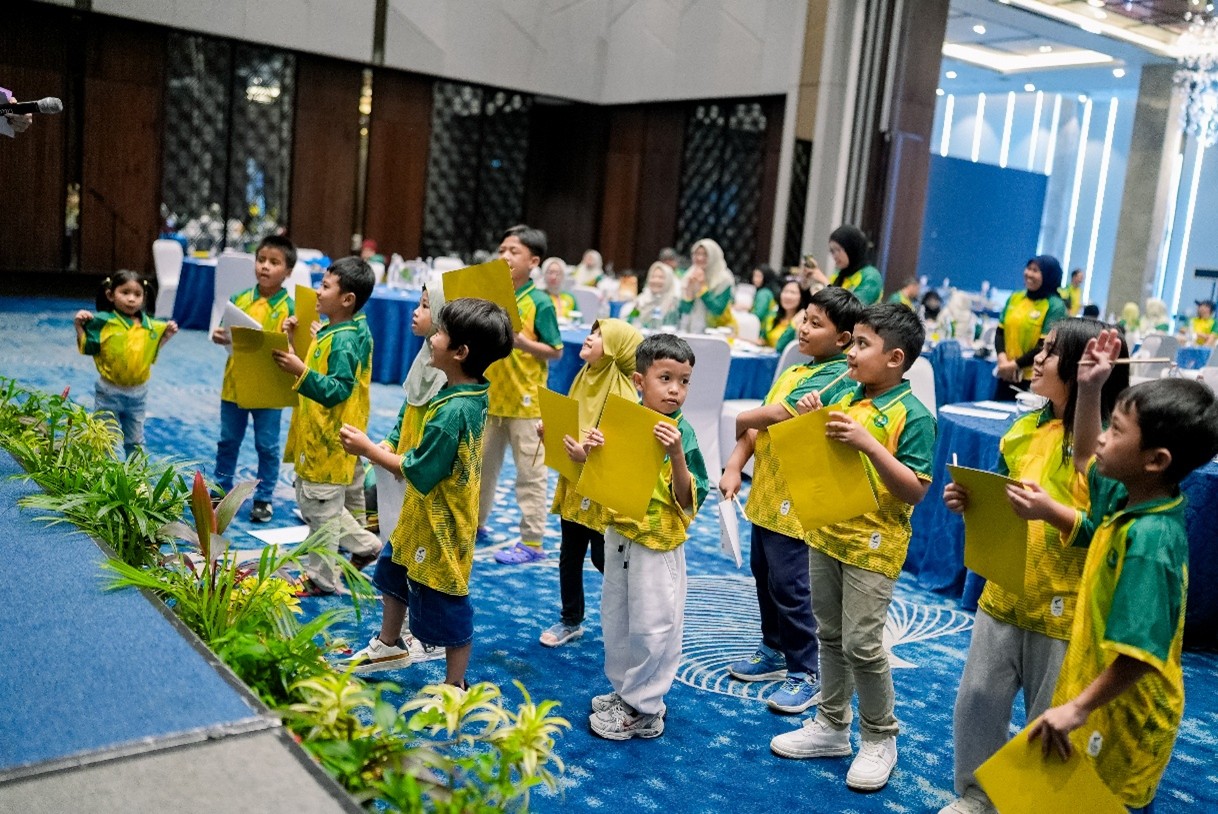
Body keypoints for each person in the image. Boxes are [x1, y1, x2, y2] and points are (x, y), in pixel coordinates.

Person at [937, 318, 1128, 814]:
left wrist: (1049, 511)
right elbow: (1002, 493)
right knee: (977, 699)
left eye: (1050, 351)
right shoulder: (1023, 427)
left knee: (1049, 717)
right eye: (1040, 348)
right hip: (1005, 587)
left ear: (1083, 368)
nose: (1037, 358)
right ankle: (977, 794)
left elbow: (1106, 526)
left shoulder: (1111, 446)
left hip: (1066, 602)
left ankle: (1035, 805)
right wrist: (971, 499)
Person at [1025, 329, 1218, 812]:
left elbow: (1140, 655)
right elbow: (1084, 456)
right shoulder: (1129, 495)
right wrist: (1090, 387)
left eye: (1115, 431)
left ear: (1156, 460)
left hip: (1127, 716)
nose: (1102, 439)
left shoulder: (1151, 542)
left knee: (1106, 802)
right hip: (1098, 694)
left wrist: (1077, 707)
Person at [769, 303, 936, 792]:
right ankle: (832, 724)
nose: (851, 352)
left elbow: (915, 490)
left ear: (895, 359)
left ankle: (880, 737)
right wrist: (811, 419)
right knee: (829, 633)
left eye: (863, 344)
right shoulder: (844, 393)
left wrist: (868, 443)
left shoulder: (913, 415)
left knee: (862, 644)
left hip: (874, 545)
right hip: (829, 529)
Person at [335, 298, 514, 686]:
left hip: (441, 524)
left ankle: (455, 684)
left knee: (448, 599)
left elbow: (420, 470)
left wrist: (368, 450)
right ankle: (389, 643)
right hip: (422, 512)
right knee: (394, 570)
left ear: (460, 352)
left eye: (441, 332)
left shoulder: (452, 412)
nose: (433, 337)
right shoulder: (464, 390)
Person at [719, 287, 863, 714]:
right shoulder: (795, 371)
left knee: (791, 586)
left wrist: (740, 416)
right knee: (764, 574)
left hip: (796, 499)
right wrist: (734, 464)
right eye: (805, 318)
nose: (803, 328)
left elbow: (779, 414)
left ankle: (806, 670)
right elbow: (760, 427)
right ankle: (773, 648)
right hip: (766, 492)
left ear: (843, 339)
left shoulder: (837, 376)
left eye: (817, 324)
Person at [578, 333, 709, 740]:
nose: (675, 390)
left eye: (684, 381)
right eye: (665, 378)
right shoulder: (625, 419)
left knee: (654, 624)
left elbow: (689, 497)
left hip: (658, 542)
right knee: (618, 618)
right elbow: (606, 476)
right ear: (639, 381)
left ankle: (646, 707)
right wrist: (590, 452)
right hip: (621, 532)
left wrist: (677, 455)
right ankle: (626, 691)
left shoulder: (682, 434)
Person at [273, 257, 382, 596]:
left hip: (327, 439)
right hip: (332, 437)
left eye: (325, 286)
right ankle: (365, 546)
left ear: (347, 299)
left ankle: (322, 577)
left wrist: (299, 370)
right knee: (330, 506)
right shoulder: (347, 329)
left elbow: (337, 390)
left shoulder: (344, 339)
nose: (317, 293)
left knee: (320, 510)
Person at [540, 318, 643, 648]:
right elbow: (574, 428)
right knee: (569, 554)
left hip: (602, 490)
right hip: (574, 482)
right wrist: (551, 435)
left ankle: (635, 614)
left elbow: (625, 452)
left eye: (600, 336)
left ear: (616, 350)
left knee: (603, 556)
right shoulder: (584, 377)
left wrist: (589, 456)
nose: (589, 337)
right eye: (592, 331)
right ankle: (570, 619)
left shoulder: (624, 394)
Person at [481, 225, 565, 564]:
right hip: (490, 397)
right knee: (481, 467)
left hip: (527, 402)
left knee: (530, 475)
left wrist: (523, 343)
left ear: (533, 261)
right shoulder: (493, 293)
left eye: (513, 251)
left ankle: (532, 541)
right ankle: (476, 524)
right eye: (502, 250)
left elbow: (556, 350)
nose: (505, 256)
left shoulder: (540, 302)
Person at [210, 234, 297, 522]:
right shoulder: (239, 299)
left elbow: (297, 348)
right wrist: (220, 336)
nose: (265, 266)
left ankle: (264, 497)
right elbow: (223, 332)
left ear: (288, 271)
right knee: (228, 440)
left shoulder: (291, 309)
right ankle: (219, 489)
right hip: (235, 382)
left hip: (269, 387)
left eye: (274, 262)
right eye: (261, 260)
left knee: (267, 446)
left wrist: (292, 334)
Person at [74, 271, 179, 458]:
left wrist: (165, 337)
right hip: (108, 392)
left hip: (138, 394)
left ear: (144, 297)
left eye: (137, 294)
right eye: (125, 292)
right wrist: (79, 327)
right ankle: (105, 473)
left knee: (135, 441)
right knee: (105, 441)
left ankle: (135, 475)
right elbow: (88, 347)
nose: (131, 299)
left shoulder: (150, 326)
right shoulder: (104, 323)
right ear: (110, 295)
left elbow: (147, 353)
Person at [994, 255, 1067, 400]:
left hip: (1033, 379)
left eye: (1035, 271)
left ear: (1048, 276)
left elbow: (1045, 345)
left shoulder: (1055, 305)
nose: (1029, 274)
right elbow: (1000, 331)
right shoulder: (1015, 297)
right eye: (1028, 268)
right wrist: (1003, 362)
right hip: (1006, 374)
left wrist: (1014, 365)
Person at [807, 225, 883, 305]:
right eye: (832, 251)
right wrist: (805, 285)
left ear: (851, 249)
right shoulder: (838, 275)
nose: (835, 256)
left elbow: (853, 307)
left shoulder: (871, 276)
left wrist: (825, 281)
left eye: (838, 250)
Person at [678, 238, 736, 333]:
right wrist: (689, 291)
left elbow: (717, 310)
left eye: (705, 254)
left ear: (714, 256)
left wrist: (702, 288)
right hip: (690, 330)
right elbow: (684, 310)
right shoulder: (688, 275)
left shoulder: (724, 279)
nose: (700, 258)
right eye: (697, 254)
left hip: (717, 332)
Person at [626, 261, 681, 329]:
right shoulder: (641, 300)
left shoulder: (674, 303)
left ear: (669, 280)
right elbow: (629, 323)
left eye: (661, 277)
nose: (656, 280)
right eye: (653, 276)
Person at [762, 278, 812, 351]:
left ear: (802, 297)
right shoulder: (773, 316)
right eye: (785, 291)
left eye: (793, 292)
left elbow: (780, 347)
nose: (787, 296)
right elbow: (763, 340)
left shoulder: (802, 324)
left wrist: (793, 323)